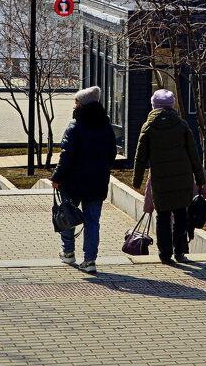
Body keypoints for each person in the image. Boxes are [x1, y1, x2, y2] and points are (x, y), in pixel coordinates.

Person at [132, 89, 206, 265]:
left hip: (160, 179)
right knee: (181, 214)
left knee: (163, 216)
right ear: (172, 105)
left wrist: (137, 181)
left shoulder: (148, 126)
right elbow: (193, 154)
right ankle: (179, 251)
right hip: (182, 178)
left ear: (154, 106)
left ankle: (165, 254)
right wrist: (200, 179)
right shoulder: (181, 125)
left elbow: (140, 156)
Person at [51, 86, 117, 274]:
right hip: (97, 181)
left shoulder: (75, 125)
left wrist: (57, 177)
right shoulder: (106, 126)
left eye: (76, 101)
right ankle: (90, 260)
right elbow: (111, 153)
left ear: (81, 104)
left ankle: (68, 252)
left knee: (67, 215)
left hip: (73, 181)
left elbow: (67, 155)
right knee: (92, 221)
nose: (74, 105)